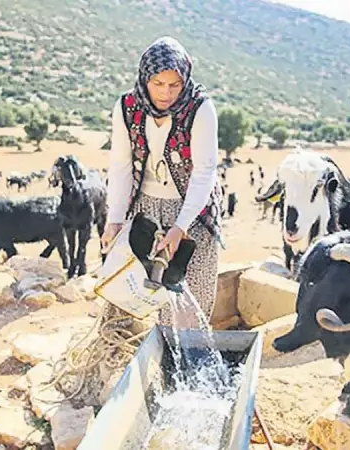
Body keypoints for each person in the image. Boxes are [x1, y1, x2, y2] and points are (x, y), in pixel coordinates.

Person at [101, 36, 223, 325]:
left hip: (192, 209)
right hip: (144, 208)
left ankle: (180, 357)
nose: (166, 93)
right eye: (158, 84)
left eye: (174, 85)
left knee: (186, 296)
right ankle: (133, 353)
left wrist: (180, 227)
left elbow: (204, 172)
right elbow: (121, 165)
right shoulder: (128, 107)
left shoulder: (200, 108)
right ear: (145, 79)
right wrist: (115, 218)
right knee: (131, 288)